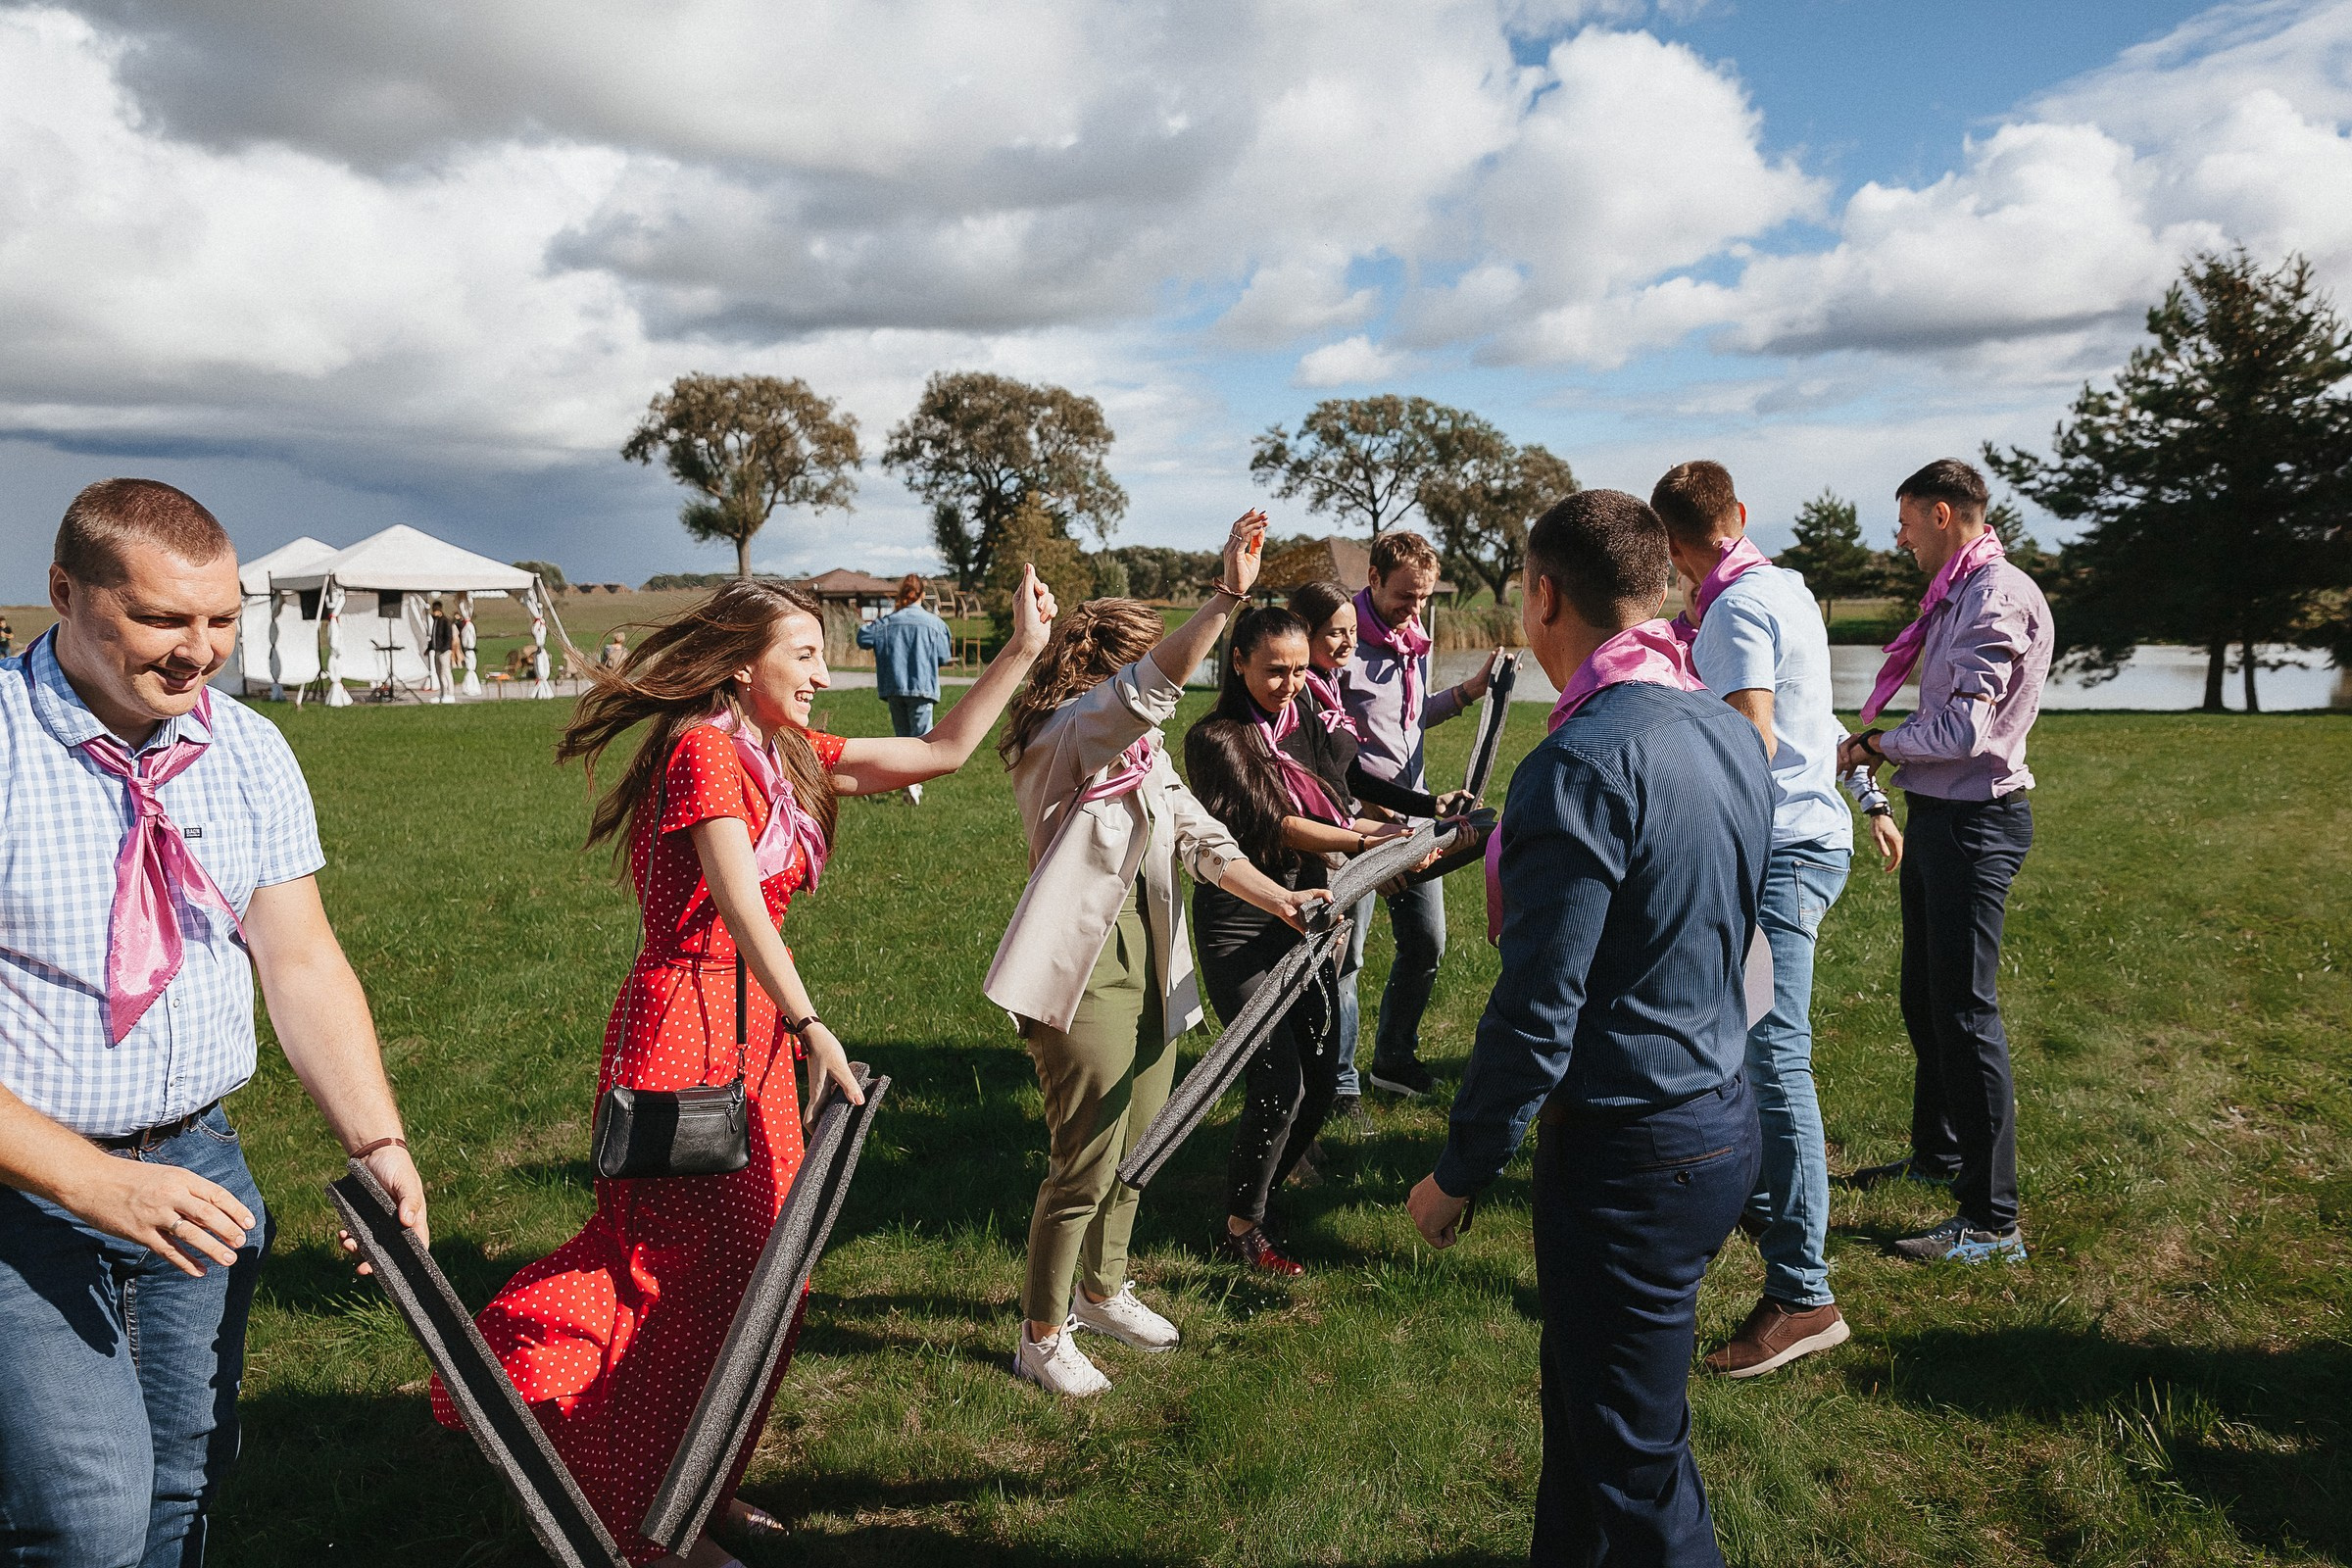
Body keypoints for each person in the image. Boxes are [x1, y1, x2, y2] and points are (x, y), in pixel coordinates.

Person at [436, 567, 1058, 1567]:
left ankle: (704, 1487)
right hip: (688, 1023)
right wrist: (813, 1023)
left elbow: (941, 750)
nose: (822, 673)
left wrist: (1023, 649)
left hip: (751, 1026)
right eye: (803, 655)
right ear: (740, 665)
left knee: (765, 1280)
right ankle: (642, 1525)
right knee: (686, 1282)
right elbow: (733, 896)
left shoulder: (781, 752)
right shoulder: (702, 751)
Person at [0, 478, 428, 1568]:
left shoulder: (245, 748)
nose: (201, 652)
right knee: (84, 1518)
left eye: (223, 619)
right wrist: (93, 1181)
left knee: (185, 1493)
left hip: (198, 1177)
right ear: (63, 592)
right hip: (24, 1196)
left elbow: (300, 958)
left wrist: (376, 1139)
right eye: (160, 618)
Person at [1406, 488, 1770, 1568]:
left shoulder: (1577, 761)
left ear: (1543, 593)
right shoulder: (1722, 724)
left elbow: (1533, 1016)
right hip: (1716, 1110)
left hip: (1631, 1153)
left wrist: (1460, 1170)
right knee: (1592, 1418)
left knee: (1635, 1473)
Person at [986, 512, 1327, 1397]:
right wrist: (1225, 600)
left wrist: (1283, 898)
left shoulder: (1141, 754)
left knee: (1142, 1142)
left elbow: (1204, 840)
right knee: (1085, 1158)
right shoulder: (1064, 739)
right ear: (1106, 667)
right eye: (1151, 658)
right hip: (1085, 970)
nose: (1168, 679)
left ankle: (1103, 1290)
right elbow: (1142, 693)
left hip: (1153, 961)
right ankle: (1041, 1332)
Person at [1651, 461, 1898, 1378]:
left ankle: (1803, 1292)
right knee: (1737, 1038)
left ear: (1677, 547)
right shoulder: (1782, 586)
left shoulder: (1734, 611)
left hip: (1780, 850)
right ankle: (1752, 1206)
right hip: (1809, 837)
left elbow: (1752, 739)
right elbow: (1805, 716)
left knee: (1772, 1055)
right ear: (1740, 517)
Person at [1838, 459, 2052, 1265]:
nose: (1898, 541)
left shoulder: (1993, 596)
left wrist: (1869, 745)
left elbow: (1962, 734)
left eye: (1903, 524)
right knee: (1925, 1001)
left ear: (1940, 513)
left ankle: (1993, 1223)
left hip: (1975, 824)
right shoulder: (1958, 593)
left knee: (1965, 1015)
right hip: (1942, 816)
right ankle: (1940, 1157)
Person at [1183, 606, 1411, 1273]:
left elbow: (1344, 786)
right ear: (1238, 663)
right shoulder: (1216, 737)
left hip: (1310, 911)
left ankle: (1262, 1196)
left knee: (1316, 1069)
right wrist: (1366, 839)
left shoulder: (1304, 715)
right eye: (1275, 671)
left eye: (1300, 670)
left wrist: (1414, 819)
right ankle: (1240, 1227)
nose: (1290, 683)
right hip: (1243, 922)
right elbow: (1270, 824)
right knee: (1279, 1077)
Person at [1286, 579, 1457, 1137]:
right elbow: (1318, 792)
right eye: (1334, 633)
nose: (1346, 644)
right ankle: (1328, 1090)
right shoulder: (1299, 699)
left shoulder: (1327, 690)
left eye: (1350, 633)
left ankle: (1338, 1084)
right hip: (1325, 851)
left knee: (1363, 958)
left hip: (1355, 836)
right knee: (1334, 966)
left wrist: (1424, 804)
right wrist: (1365, 845)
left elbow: (1350, 772)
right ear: (1303, 633)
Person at [1338, 531, 1494, 1099]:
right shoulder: (1341, 642)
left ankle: (1393, 1061)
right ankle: (1339, 1084)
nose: (1415, 609)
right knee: (1345, 958)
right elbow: (1335, 754)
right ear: (1373, 578)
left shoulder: (1412, 641)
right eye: (1405, 596)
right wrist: (1384, 830)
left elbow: (1407, 720)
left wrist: (1469, 693)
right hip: (1356, 824)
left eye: (1424, 597)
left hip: (1416, 818)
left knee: (1426, 943)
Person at [857, 573, 954, 805]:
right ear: (921, 594)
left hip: (894, 687)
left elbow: (862, 638)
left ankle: (907, 781)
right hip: (922, 688)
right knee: (922, 740)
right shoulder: (935, 624)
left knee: (902, 739)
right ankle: (913, 783)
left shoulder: (888, 622)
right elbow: (943, 656)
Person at [427, 599, 457, 704]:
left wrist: (444, 648)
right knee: (439, 673)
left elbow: (448, 637)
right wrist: (430, 648)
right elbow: (434, 637)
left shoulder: (445, 621)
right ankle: (442, 693)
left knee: (446, 672)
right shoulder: (435, 621)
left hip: (444, 651)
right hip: (437, 651)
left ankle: (450, 693)